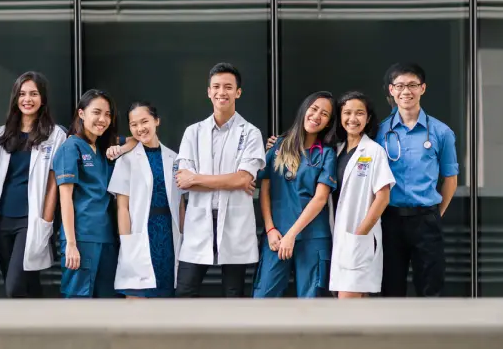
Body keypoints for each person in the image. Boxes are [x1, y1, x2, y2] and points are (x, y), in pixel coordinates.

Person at [174, 62, 265, 298]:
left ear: (238, 92)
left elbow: (243, 178)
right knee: (185, 291)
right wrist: (232, 180)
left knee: (233, 294)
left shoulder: (251, 133)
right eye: (216, 86)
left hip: (234, 223)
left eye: (228, 87)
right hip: (199, 222)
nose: (221, 92)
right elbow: (184, 180)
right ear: (208, 91)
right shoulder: (193, 132)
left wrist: (198, 178)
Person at [0, 71, 66, 298]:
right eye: (22, 94)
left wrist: (46, 221)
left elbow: (53, 184)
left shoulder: (55, 135)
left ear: (43, 99)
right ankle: (36, 328)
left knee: (14, 287)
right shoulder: (1, 134)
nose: (27, 99)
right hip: (2, 220)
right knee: (25, 282)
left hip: (30, 220)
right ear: (15, 99)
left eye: (34, 94)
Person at [376, 63, 458, 297]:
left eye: (412, 85)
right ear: (391, 90)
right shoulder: (380, 132)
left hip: (426, 220)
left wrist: (435, 214)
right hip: (389, 219)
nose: (406, 91)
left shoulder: (441, 132)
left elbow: (450, 179)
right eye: (400, 85)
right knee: (390, 288)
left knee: (431, 288)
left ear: (423, 88)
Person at [254, 91, 338, 298]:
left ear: (328, 123)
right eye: (314, 109)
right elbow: (265, 189)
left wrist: (292, 234)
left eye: (325, 114)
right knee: (264, 297)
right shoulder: (278, 146)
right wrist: (271, 229)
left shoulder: (326, 154)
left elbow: (320, 199)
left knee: (312, 303)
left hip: (313, 238)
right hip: (276, 235)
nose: (317, 116)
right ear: (304, 110)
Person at [108, 102, 185, 298]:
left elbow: (180, 203)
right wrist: (127, 243)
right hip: (141, 232)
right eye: (134, 125)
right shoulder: (126, 160)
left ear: (156, 121)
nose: (140, 128)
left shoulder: (175, 159)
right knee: (138, 295)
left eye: (145, 121)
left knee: (167, 292)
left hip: (168, 233)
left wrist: (184, 235)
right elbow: (122, 208)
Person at [52, 89, 121, 298]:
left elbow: (139, 138)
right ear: (81, 114)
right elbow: (65, 200)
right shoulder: (70, 147)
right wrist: (71, 244)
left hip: (107, 237)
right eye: (97, 112)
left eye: (108, 114)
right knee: (78, 300)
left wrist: (120, 149)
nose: (103, 119)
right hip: (82, 238)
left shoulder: (102, 149)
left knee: (108, 300)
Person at [328, 91, 395, 298]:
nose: (352, 119)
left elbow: (383, 197)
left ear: (368, 118)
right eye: (347, 113)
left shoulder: (374, 151)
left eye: (359, 113)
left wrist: (360, 233)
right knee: (358, 311)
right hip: (340, 238)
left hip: (358, 238)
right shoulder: (336, 151)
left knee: (347, 304)